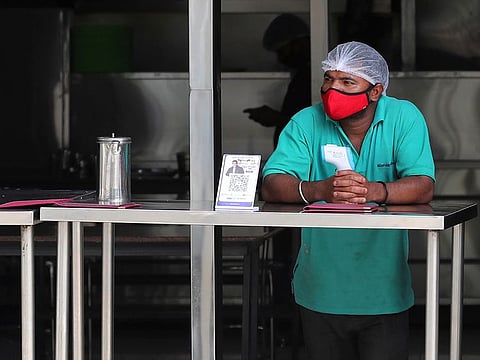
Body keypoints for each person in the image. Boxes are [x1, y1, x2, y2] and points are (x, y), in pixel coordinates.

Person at [261, 41, 435, 360]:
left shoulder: (403, 117)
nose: (332, 89)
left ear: (375, 91)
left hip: (385, 290)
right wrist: (320, 190)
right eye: (329, 79)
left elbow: (422, 185)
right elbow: (272, 184)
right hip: (320, 290)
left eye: (347, 82)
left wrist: (373, 191)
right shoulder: (306, 122)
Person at [243, 13, 312, 148]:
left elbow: (311, 125)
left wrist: (276, 118)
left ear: (299, 44)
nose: (280, 58)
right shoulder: (300, 77)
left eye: (282, 51)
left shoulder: (312, 78)